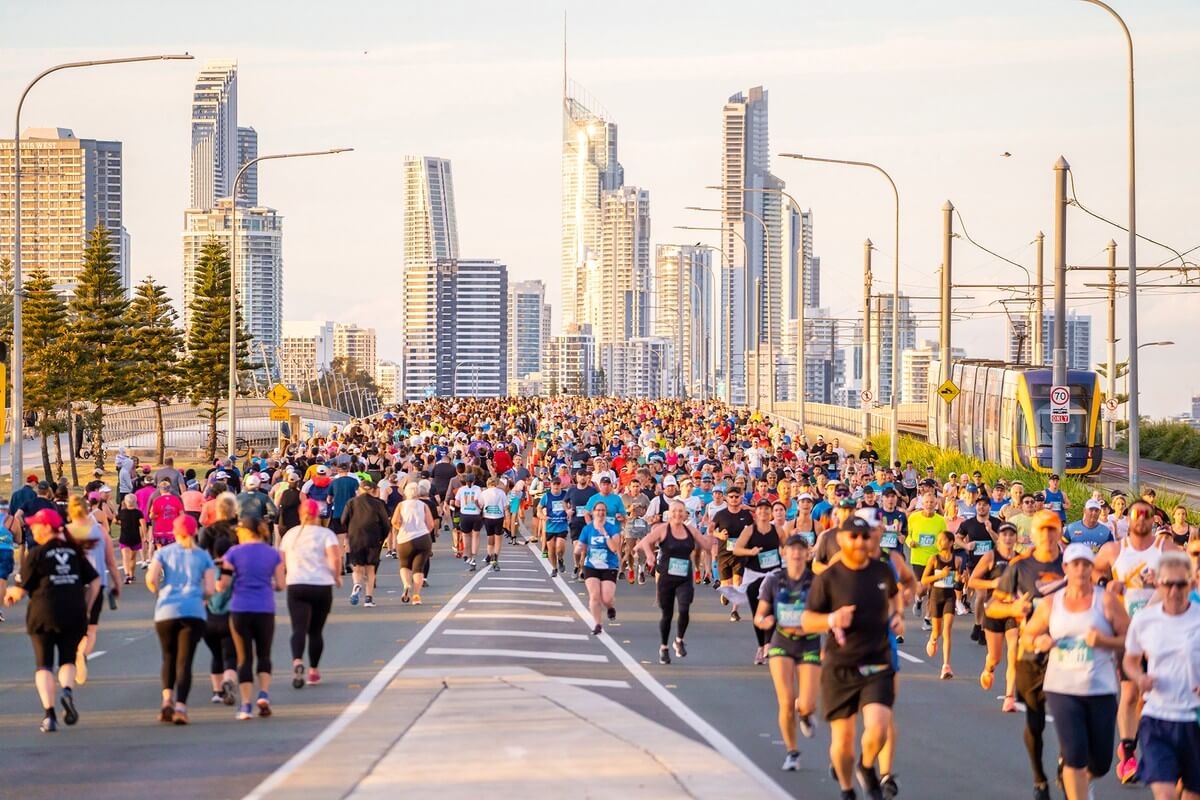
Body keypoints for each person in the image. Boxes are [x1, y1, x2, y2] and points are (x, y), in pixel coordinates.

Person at [802, 516, 903, 800]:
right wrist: (833, 618)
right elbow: (808, 621)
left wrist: (896, 617)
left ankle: (867, 766)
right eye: (853, 537)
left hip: (877, 660)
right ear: (842, 539)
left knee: (880, 727)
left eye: (864, 536)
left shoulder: (882, 571)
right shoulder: (829, 578)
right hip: (841, 666)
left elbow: (895, 598)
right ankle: (848, 790)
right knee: (843, 742)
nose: (859, 542)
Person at [1022, 543, 1128, 800]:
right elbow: (1027, 635)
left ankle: (1082, 779)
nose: (1080, 570)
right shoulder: (1051, 603)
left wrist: (1104, 642)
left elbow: (1129, 638)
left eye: (1085, 564)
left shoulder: (1106, 601)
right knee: (1075, 755)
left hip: (1100, 687)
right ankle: (1074, 782)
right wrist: (1039, 642)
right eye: (1075, 564)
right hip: (1062, 688)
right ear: (1066, 568)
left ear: (1092, 568)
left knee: (1100, 762)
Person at [1093, 497, 1180, 784]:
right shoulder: (1114, 549)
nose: (1141, 520)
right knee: (1130, 694)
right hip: (1128, 632)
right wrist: (1108, 585)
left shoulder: (1165, 548)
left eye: (1147, 516)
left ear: (1154, 519)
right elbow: (1091, 577)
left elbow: (1186, 574)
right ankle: (1129, 754)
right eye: (1136, 515)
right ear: (1128, 519)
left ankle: (1148, 748)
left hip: (1161, 633)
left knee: (1151, 696)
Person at [987, 510, 1067, 800]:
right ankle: (1039, 778)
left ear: (1059, 531)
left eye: (1052, 528)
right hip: (1031, 652)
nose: (1047, 534)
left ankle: (1065, 764)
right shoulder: (1020, 566)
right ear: (1031, 533)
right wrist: (1012, 609)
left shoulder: (1072, 563)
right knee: (1035, 722)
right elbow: (991, 608)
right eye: (1041, 529)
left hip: (1065, 653)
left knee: (1067, 714)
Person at [3, 508, 100, 732]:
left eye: (36, 525)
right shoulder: (75, 552)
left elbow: (22, 589)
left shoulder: (37, 554)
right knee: (67, 660)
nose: (32, 529)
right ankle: (66, 690)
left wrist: (10, 594)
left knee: (44, 664)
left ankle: (49, 715)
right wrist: (86, 606)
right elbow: (94, 582)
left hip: (42, 613)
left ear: (47, 527)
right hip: (74, 612)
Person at [1122, 550, 1200, 800]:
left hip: (1194, 718)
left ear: (1191, 583)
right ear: (1158, 583)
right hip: (1157, 718)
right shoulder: (1145, 620)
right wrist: (1139, 678)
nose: (1174, 591)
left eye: (1181, 584)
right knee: (1165, 794)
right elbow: (1130, 660)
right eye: (1168, 584)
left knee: (1191, 794)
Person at [754, 533, 821, 772]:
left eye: (801, 549)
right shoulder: (774, 580)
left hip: (809, 642)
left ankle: (805, 713)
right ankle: (792, 751)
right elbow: (759, 615)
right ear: (784, 552)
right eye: (792, 549)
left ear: (807, 553)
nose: (796, 553)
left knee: (807, 703)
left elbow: (828, 614)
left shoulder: (817, 581)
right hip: (782, 642)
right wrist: (765, 620)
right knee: (785, 700)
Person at [145, 515, 215, 725]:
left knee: (168, 657)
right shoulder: (203, 556)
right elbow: (210, 588)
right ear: (195, 532)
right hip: (193, 611)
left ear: (175, 532)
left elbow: (151, 578)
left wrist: (158, 593)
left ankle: (167, 699)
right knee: (185, 661)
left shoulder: (164, 553)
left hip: (167, 610)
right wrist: (202, 599)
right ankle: (181, 707)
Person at [219, 516, 284, 720]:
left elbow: (223, 584)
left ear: (245, 532)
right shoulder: (273, 553)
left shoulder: (233, 553)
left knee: (244, 657)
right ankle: (263, 694)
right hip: (264, 607)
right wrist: (265, 584)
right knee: (264, 654)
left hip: (240, 608)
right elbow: (281, 584)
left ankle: (246, 705)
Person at [638, 499, 713, 664]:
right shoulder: (663, 529)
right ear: (669, 514)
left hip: (684, 577)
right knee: (667, 614)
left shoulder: (690, 530)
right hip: (666, 577)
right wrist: (650, 555)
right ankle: (664, 647)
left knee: (685, 608)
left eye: (681, 511)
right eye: (674, 511)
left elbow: (707, 546)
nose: (678, 514)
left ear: (686, 513)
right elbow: (645, 542)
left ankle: (679, 640)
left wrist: (711, 532)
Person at [279, 499, 341, 689]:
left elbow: (280, 560)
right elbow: (335, 558)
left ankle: (297, 660)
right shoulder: (326, 534)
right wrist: (336, 576)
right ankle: (313, 670)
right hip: (321, 585)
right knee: (315, 631)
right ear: (317, 515)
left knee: (298, 628)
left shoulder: (291, 534)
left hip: (297, 584)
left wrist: (283, 576)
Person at [969, 521, 1021, 711]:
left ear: (1016, 538)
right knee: (996, 657)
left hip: (1013, 610)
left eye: (1011, 534)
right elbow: (973, 581)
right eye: (1004, 534)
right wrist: (994, 584)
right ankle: (989, 668)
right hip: (994, 609)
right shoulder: (991, 556)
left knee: (1014, 652)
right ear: (999, 537)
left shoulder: (1020, 560)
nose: (1008, 538)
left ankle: (1009, 697)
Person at [198, 492, 239, 705]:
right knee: (231, 646)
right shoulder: (238, 531)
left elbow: (200, 554)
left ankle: (216, 690)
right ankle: (230, 678)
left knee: (215, 650)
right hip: (236, 584)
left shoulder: (209, 531)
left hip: (212, 579)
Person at [732, 499, 783, 665]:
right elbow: (736, 549)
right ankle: (761, 646)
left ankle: (768, 645)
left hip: (773, 574)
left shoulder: (778, 530)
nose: (764, 512)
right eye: (760, 509)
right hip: (754, 575)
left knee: (772, 611)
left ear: (770, 513)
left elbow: (788, 547)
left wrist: (785, 552)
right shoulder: (749, 530)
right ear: (756, 512)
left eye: (767, 510)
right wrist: (750, 551)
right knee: (758, 614)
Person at [921, 530, 963, 679]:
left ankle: (946, 666)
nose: (939, 543)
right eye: (938, 540)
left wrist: (960, 579)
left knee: (947, 631)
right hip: (935, 597)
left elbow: (958, 581)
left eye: (942, 540)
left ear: (951, 543)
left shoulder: (957, 560)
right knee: (937, 632)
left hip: (949, 597)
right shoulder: (934, 559)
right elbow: (924, 580)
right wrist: (940, 575)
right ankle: (932, 640)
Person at [341, 479, 390, 608]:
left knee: (357, 567)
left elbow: (343, 520)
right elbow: (385, 523)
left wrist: (349, 532)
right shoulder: (378, 503)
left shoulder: (351, 503)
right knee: (370, 569)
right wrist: (382, 537)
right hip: (373, 538)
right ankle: (368, 599)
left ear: (359, 489)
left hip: (356, 537)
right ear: (373, 490)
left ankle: (357, 584)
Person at [576, 501, 621, 635]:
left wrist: (604, 533)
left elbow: (614, 548)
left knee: (606, 598)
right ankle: (598, 624)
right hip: (591, 565)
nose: (600, 513)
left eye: (603, 511)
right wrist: (579, 548)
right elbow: (581, 546)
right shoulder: (588, 529)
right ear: (593, 513)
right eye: (598, 510)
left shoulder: (612, 528)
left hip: (609, 565)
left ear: (606, 513)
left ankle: (610, 607)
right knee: (594, 596)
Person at [393, 483, 434, 604]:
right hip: (422, 538)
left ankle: (406, 584)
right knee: (418, 569)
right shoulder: (423, 505)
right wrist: (425, 532)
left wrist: (400, 528)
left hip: (405, 538)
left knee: (404, 565)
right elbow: (431, 524)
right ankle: (416, 595)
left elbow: (394, 521)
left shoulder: (401, 505)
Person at [479, 476, 508, 572]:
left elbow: (480, 504)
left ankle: (491, 555)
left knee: (490, 538)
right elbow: (506, 506)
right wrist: (507, 518)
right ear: (496, 483)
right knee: (498, 539)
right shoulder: (501, 493)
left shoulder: (484, 493)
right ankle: (495, 557)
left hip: (487, 517)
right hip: (498, 517)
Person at [116, 494, 146, 585]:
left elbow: (115, 520)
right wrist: (144, 536)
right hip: (135, 537)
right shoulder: (138, 513)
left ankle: (127, 575)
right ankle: (131, 575)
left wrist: (121, 523)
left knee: (125, 557)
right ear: (135, 502)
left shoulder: (122, 512)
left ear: (125, 502)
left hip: (124, 537)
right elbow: (143, 524)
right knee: (133, 558)